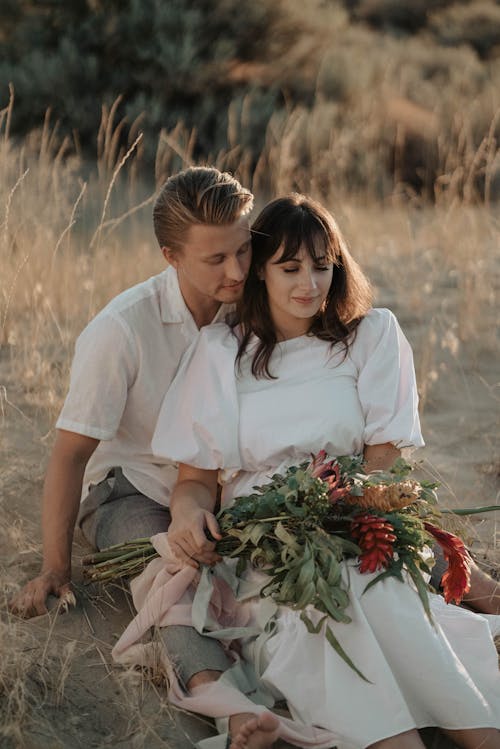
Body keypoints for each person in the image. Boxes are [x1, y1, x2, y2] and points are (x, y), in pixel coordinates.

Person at [122, 193, 500, 749]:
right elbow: (197, 482)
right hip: (268, 541)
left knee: (380, 588)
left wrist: (342, 503)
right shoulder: (222, 352)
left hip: (352, 513)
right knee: (322, 612)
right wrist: (187, 519)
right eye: (290, 267)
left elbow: (381, 458)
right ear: (260, 273)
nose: (310, 283)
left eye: (323, 265)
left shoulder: (368, 338)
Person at [8, 166, 256, 696]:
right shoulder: (120, 329)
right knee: (171, 579)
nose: (237, 271)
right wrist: (56, 567)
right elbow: (70, 454)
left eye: (243, 250)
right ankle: (221, 698)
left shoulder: (252, 306)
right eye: (215, 259)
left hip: (221, 486)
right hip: (128, 489)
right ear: (172, 257)